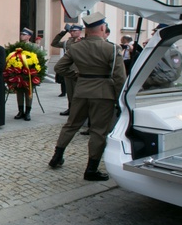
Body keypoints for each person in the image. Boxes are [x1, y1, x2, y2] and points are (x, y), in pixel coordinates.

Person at [48, 12, 126, 181]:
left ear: (87, 30)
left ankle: (57, 156)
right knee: (98, 131)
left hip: (81, 91)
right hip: (104, 94)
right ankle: (91, 169)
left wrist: (78, 76)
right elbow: (120, 77)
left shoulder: (76, 47)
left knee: (71, 125)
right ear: (103, 28)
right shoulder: (112, 48)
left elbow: (59, 68)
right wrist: (121, 100)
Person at [51, 24, 84, 116]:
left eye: (74, 31)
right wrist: (62, 34)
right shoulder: (68, 42)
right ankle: (70, 108)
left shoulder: (83, 41)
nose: (72, 32)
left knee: (77, 92)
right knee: (69, 92)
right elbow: (54, 43)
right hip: (68, 70)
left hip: (78, 70)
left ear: (79, 32)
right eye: (71, 31)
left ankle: (78, 110)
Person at [14, 27, 35, 121]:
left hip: (29, 73)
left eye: (24, 34)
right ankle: (20, 111)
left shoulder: (34, 46)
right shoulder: (17, 46)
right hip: (18, 72)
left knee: (28, 93)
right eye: (21, 34)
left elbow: (39, 59)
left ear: (29, 36)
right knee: (19, 92)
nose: (21, 36)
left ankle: (28, 112)